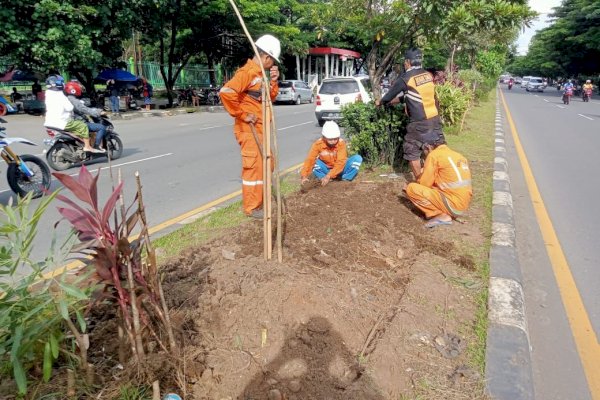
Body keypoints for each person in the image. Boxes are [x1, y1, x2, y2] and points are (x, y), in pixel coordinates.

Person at [220, 34, 281, 219]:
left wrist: (274, 81)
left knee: (267, 165)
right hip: (249, 131)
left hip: (262, 130)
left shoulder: (259, 75)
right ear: (267, 57)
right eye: (273, 61)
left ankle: (261, 202)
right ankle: (253, 207)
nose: (272, 64)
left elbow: (269, 98)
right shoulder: (247, 73)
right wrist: (243, 115)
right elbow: (226, 92)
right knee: (254, 169)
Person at [375, 48, 445, 180]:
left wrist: (380, 102)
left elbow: (389, 95)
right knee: (433, 148)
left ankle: (421, 182)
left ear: (407, 62)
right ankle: (437, 177)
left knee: (412, 150)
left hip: (419, 122)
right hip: (434, 118)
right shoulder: (427, 75)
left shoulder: (406, 78)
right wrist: (394, 101)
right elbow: (415, 95)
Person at [403, 130, 472, 228]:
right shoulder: (458, 155)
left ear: (429, 147)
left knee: (412, 189)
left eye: (424, 150)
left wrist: (412, 184)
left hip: (453, 204)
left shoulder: (434, 155)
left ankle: (440, 215)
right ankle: (446, 212)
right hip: (463, 203)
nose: (425, 153)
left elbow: (424, 185)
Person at [44, 75, 104, 153]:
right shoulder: (61, 95)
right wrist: (98, 112)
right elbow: (70, 108)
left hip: (49, 122)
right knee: (83, 126)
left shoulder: (48, 94)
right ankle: (87, 146)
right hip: (62, 122)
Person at [300, 121, 362, 187]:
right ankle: (322, 180)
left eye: (335, 139)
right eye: (330, 139)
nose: (333, 141)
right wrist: (304, 176)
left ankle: (345, 179)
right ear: (324, 137)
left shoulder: (341, 143)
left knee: (357, 159)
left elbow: (341, 162)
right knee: (315, 162)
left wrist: (329, 175)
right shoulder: (318, 144)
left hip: (341, 169)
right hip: (326, 169)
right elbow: (310, 160)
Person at [64, 80, 107, 150]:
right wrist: (98, 112)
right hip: (78, 122)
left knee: (92, 131)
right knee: (101, 127)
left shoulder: (67, 99)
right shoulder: (74, 100)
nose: (80, 88)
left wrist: (96, 110)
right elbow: (84, 109)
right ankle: (96, 146)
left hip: (68, 122)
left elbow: (85, 108)